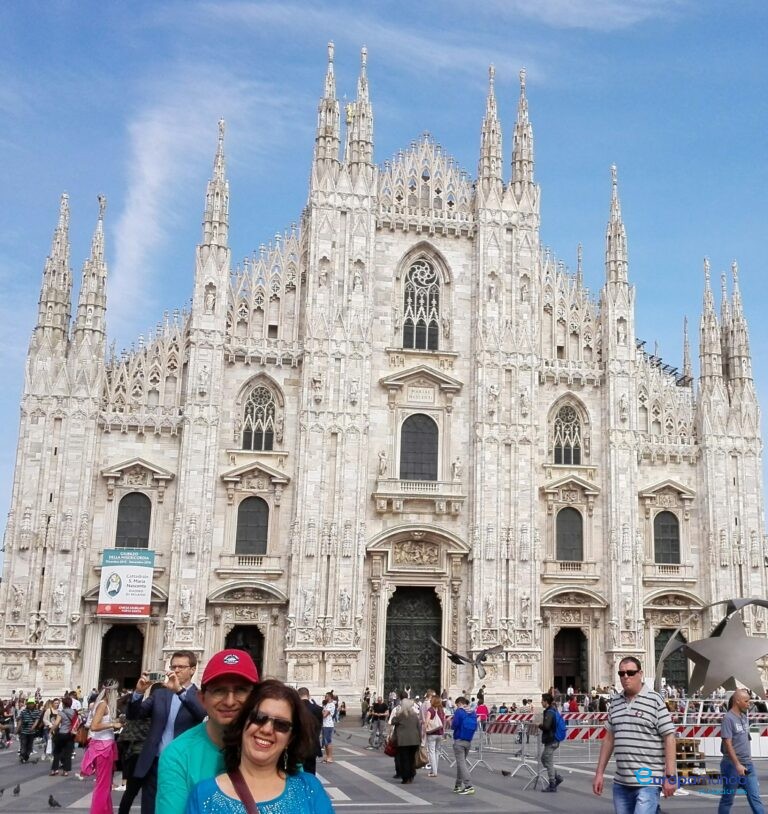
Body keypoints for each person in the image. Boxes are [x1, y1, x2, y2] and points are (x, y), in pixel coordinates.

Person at [184, 679, 334, 814]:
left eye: (281, 725)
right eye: (259, 718)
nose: (267, 729)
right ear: (242, 723)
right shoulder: (204, 795)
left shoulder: (309, 789)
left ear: (290, 738)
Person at [156, 649, 260, 814]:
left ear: (257, 698)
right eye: (219, 691)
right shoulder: (177, 755)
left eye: (241, 690)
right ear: (202, 699)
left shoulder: (275, 747)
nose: (230, 701)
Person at [593, 657, 676, 813]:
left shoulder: (655, 700)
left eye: (630, 673)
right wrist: (599, 773)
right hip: (621, 782)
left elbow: (669, 737)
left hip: (648, 782)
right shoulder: (615, 701)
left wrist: (670, 775)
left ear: (640, 674)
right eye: (621, 673)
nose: (625, 677)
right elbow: (609, 739)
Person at [128, 650, 206, 814]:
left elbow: (201, 714)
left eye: (181, 667)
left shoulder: (199, 695)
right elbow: (135, 715)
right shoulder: (160, 693)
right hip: (154, 762)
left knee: (177, 807)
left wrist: (179, 691)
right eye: (173, 666)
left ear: (192, 669)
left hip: (183, 763)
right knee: (149, 807)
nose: (176, 670)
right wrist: (139, 693)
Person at [718, 688, 765, 813]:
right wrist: (737, 764)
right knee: (727, 799)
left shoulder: (744, 717)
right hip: (731, 765)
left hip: (747, 764)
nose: (749, 704)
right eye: (746, 701)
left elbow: (745, 739)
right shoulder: (728, 718)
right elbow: (728, 743)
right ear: (737, 701)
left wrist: (749, 759)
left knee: (755, 798)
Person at [82, 680, 122, 814]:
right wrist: (112, 725)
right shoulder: (103, 705)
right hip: (102, 747)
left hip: (105, 745)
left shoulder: (104, 705)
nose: (117, 694)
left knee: (105, 785)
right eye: (116, 691)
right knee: (103, 785)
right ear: (111, 691)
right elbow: (94, 726)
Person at [451, 696, 477, 795]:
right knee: (461, 764)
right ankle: (458, 785)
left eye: (457, 704)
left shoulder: (459, 711)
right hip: (468, 740)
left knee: (461, 764)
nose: (457, 706)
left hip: (459, 739)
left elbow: (454, 725)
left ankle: (469, 785)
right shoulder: (472, 712)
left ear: (460, 703)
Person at [391, 698, 421, 784]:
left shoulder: (400, 715)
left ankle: (405, 777)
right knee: (412, 759)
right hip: (414, 740)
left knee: (404, 759)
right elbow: (418, 727)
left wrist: (397, 714)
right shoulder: (415, 715)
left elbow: (393, 721)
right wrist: (420, 739)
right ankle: (411, 775)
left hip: (403, 741)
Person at [538, 693, 563, 793]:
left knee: (547, 761)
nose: (541, 702)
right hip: (552, 740)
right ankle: (557, 777)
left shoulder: (550, 712)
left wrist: (539, 725)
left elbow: (547, 727)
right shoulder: (551, 710)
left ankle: (552, 784)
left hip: (551, 740)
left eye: (542, 700)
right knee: (545, 759)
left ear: (546, 701)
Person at [297, 688, 322, 775]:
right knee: (311, 772)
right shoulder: (318, 709)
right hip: (313, 745)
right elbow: (319, 727)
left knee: (297, 773)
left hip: (298, 745)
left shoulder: (295, 708)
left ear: (298, 695)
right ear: (308, 695)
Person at [50, 695, 77, 776]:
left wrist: (51, 730)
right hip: (70, 734)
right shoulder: (74, 712)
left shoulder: (61, 712)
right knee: (68, 753)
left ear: (64, 704)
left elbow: (56, 723)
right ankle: (65, 771)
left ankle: (55, 770)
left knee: (57, 752)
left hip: (62, 734)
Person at [424, 694, 445, 778]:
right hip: (440, 733)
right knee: (437, 752)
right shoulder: (441, 710)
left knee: (431, 752)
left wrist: (424, 731)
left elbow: (427, 722)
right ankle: (434, 770)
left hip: (432, 733)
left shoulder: (430, 710)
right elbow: (443, 721)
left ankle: (434, 771)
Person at [18, 698, 42, 763]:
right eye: (29, 704)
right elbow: (20, 720)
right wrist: (18, 728)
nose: (30, 705)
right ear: (27, 704)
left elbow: (37, 721)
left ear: (34, 704)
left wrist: (33, 727)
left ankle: (26, 756)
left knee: (30, 745)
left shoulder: (37, 712)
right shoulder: (23, 711)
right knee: (23, 744)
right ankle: (22, 755)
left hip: (32, 732)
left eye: (32, 704)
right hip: (24, 731)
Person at [321, 692, 336, 764]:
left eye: (326, 696)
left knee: (328, 742)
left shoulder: (331, 704)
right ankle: (327, 757)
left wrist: (323, 711)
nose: (325, 697)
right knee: (325, 742)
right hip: (325, 724)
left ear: (329, 697)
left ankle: (330, 757)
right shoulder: (327, 704)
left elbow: (324, 715)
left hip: (328, 725)